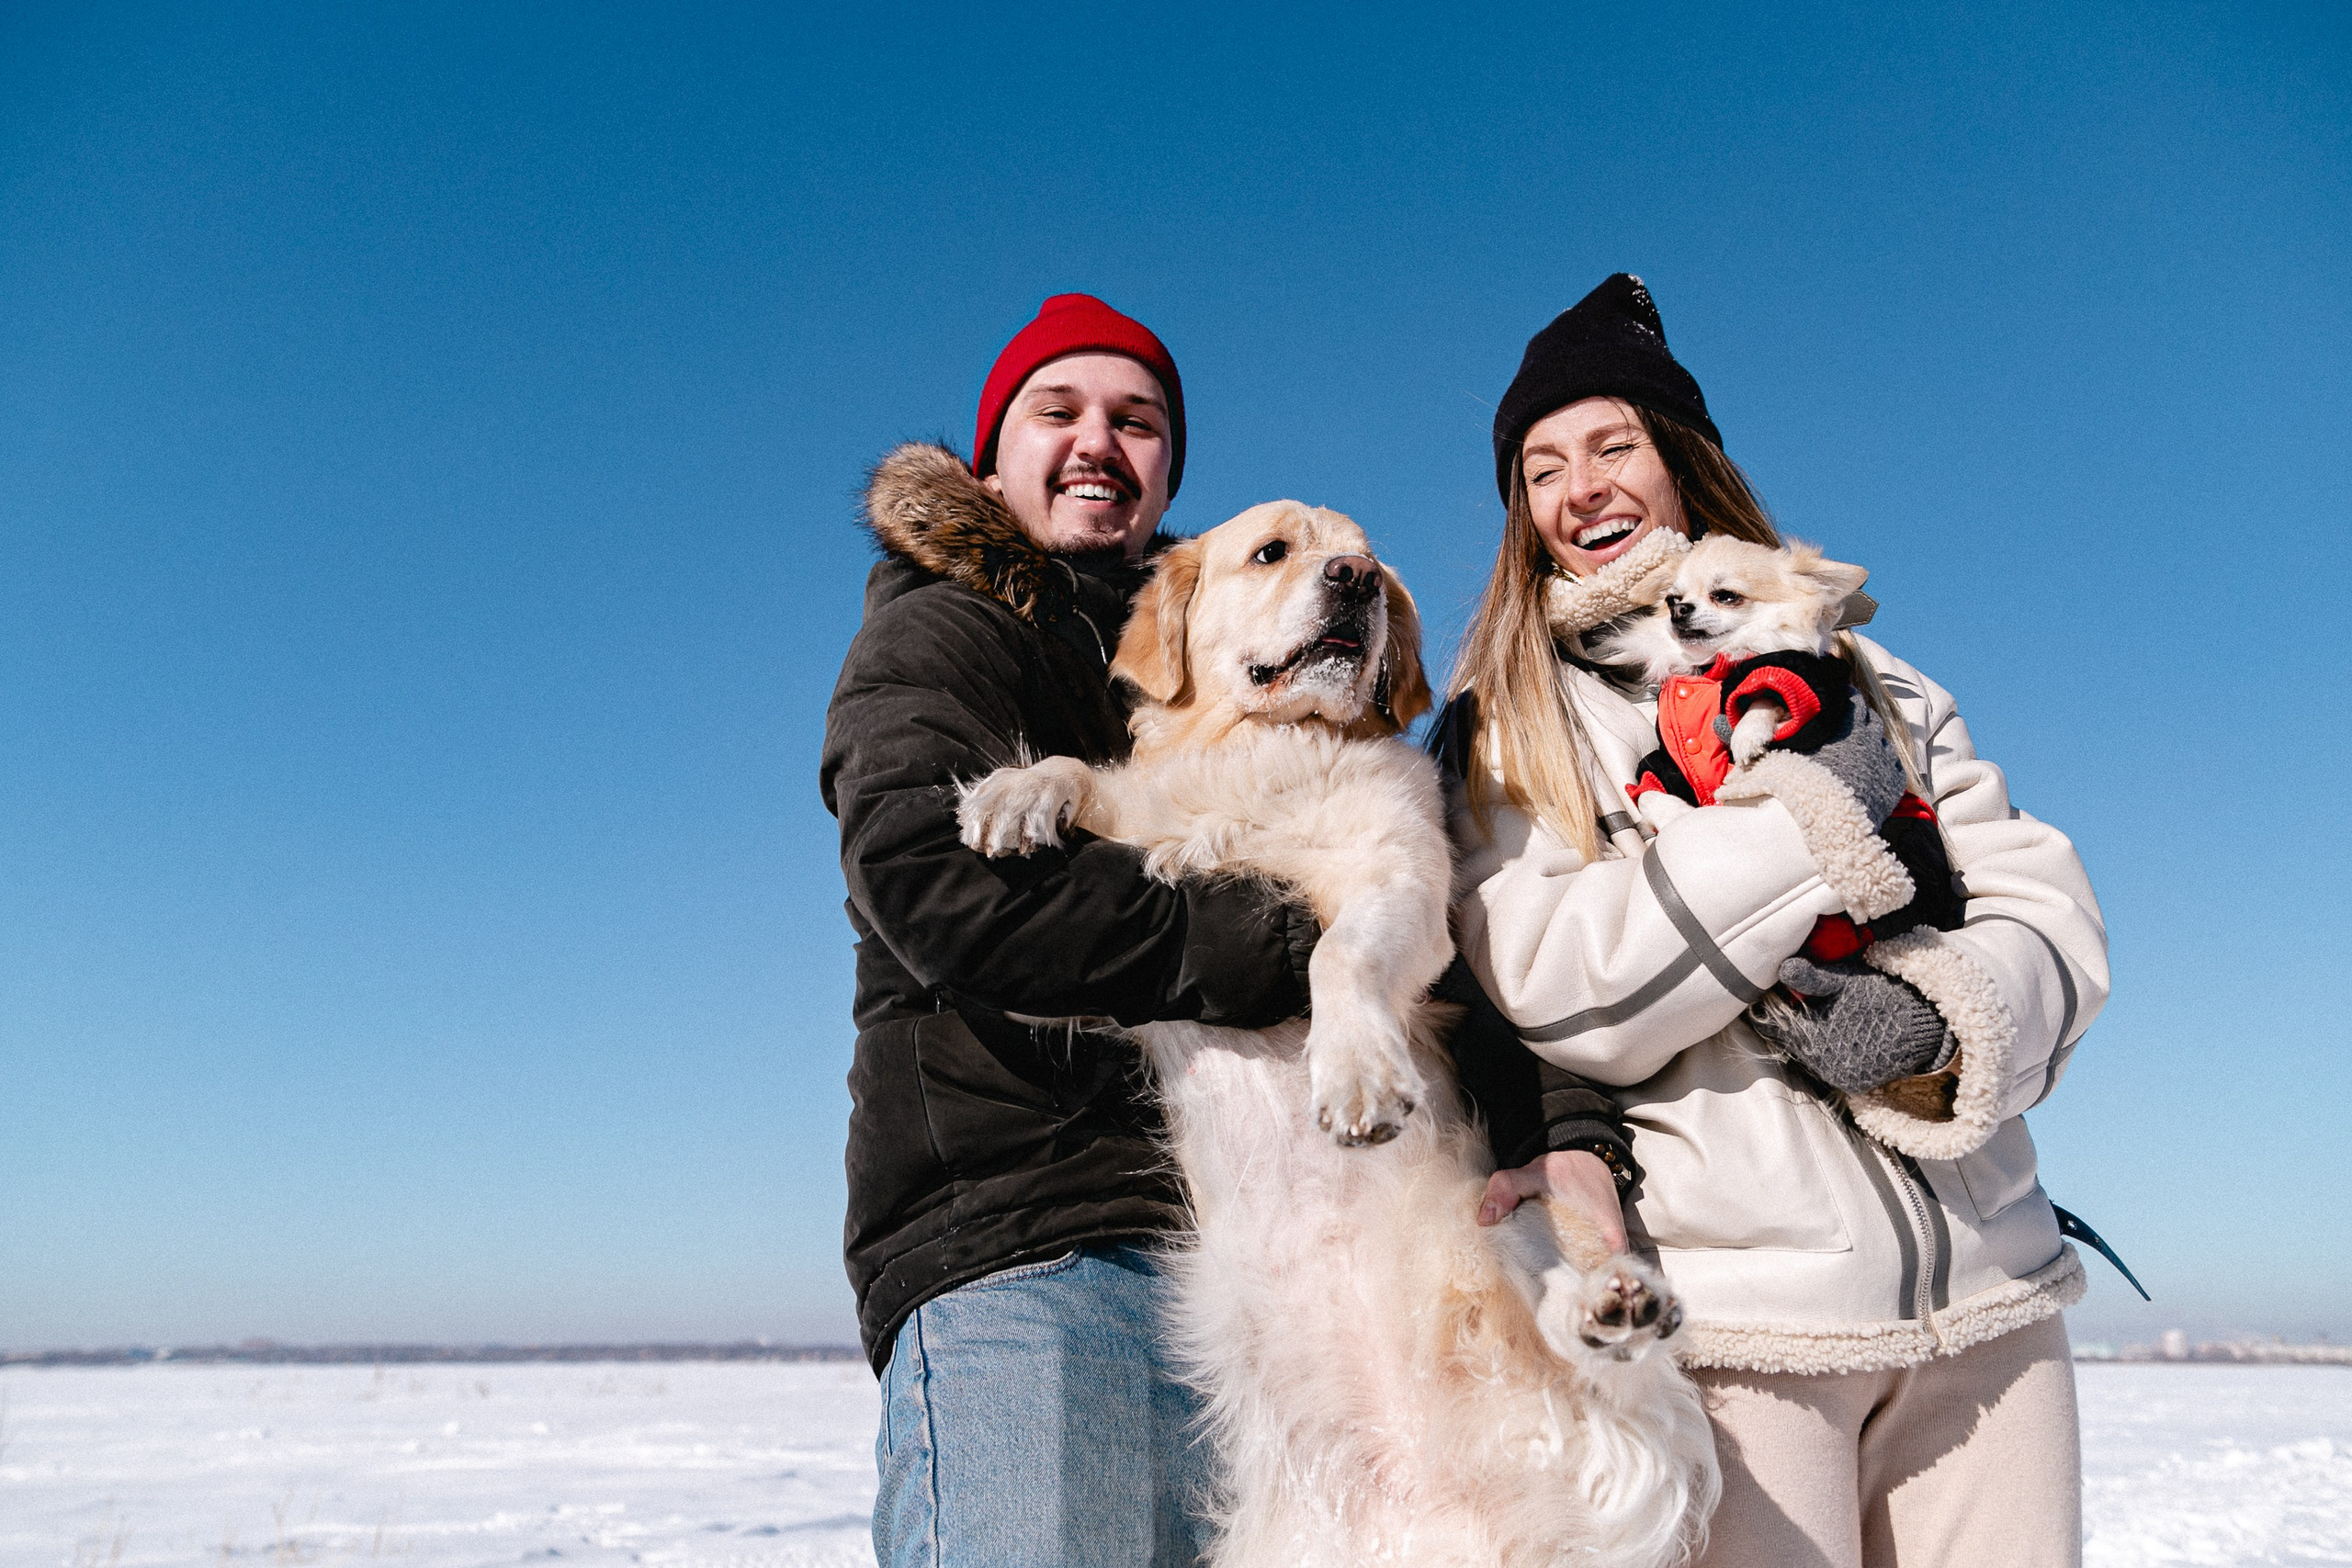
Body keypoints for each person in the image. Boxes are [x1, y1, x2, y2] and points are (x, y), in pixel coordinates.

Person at [1443, 275, 2109, 1568]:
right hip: (1739, 1336)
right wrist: (1812, 819)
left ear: (1682, 464)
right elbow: (1559, 987)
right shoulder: (1509, 724)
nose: (1582, 488)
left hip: (1997, 1303)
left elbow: (2045, 908)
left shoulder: (1881, 677)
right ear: (1522, 513)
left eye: (1614, 446)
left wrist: (1939, 1022)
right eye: (1540, 468)